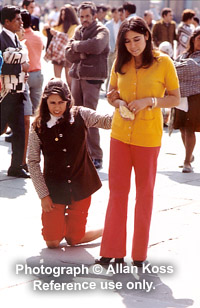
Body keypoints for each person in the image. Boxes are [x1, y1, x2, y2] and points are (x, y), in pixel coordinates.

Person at [96, 17, 180, 266]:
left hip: (148, 138)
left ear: (146, 35)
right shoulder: (120, 61)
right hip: (120, 135)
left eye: (136, 39)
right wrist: (118, 102)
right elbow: (111, 93)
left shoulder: (163, 62)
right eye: (127, 41)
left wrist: (150, 101)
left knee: (144, 195)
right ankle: (112, 251)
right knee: (117, 193)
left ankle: (139, 254)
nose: (132, 46)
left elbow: (175, 98)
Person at [27, 78, 112, 248]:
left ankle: (107, 229)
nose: (57, 107)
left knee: (74, 239)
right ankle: (60, 225)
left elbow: (107, 121)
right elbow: (32, 161)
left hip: (81, 184)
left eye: (61, 102)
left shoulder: (81, 114)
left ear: (68, 101)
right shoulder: (37, 126)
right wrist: (43, 195)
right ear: (45, 102)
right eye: (52, 103)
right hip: (54, 188)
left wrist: (121, 104)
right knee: (52, 241)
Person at [65, 1, 109, 169]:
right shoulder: (78, 30)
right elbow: (68, 54)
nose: (84, 19)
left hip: (92, 78)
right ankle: (81, 153)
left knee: (90, 116)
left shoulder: (102, 31)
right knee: (76, 116)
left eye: (87, 16)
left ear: (94, 15)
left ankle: (96, 155)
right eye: (81, 16)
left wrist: (77, 46)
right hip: (77, 77)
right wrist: (82, 53)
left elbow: (97, 46)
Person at [0, 5, 30, 178]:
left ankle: (16, 166)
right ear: (7, 21)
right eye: (17, 19)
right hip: (5, 95)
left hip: (17, 93)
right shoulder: (1, 40)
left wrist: (21, 75)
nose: (21, 22)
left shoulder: (16, 39)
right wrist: (21, 67)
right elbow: (1, 66)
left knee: (19, 132)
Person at [172, 27, 200, 173]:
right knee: (182, 128)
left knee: (189, 129)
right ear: (193, 39)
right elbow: (172, 70)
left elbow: (190, 68)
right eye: (199, 39)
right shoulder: (184, 55)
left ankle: (187, 161)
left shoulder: (191, 59)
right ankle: (189, 154)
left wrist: (175, 67)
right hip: (181, 96)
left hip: (195, 97)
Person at [43, 4, 79, 87]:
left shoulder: (74, 26)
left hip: (69, 55)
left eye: (65, 15)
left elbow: (70, 37)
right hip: (57, 55)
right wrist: (46, 28)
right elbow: (47, 34)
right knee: (57, 80)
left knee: (69, 81)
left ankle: (71, 98)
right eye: (62, 14)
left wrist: (56, 33)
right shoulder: (58, 25)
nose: (63, 17)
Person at [21, 10, 44, 114]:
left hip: (24, 75)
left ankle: (22, 129)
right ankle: (36, 128)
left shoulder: (18, 38)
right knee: (37, 108)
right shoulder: (38, 36)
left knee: (22, 107)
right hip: (37, 73)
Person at [105, 7, 121, 93]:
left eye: (117, 13)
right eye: (114, 13)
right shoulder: (107, 25)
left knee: (118, 70)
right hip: (110, 51)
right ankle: (108, 89)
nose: (116, 15)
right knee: (110, 70)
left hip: (119, 51)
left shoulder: (122, 24)